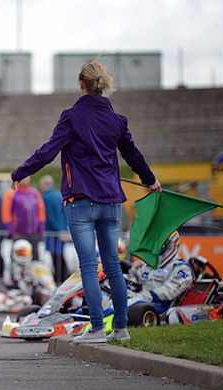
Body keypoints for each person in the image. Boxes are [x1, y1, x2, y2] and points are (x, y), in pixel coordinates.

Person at [9, 57, 161, 343]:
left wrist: (21, 173)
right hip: (111, 202)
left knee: (89, 267)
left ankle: (95, 329)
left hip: (81, 202)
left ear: (81, 84)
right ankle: (120, 328)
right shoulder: (117, 120)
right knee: (113, 265)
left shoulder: (72, 116)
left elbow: (48, 151)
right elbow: (133, 155)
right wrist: (150, 179)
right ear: (103, 85)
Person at [126, 232, 193, 306]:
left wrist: (147, 296)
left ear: (170, 245)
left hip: (162, 307)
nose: (156, 246)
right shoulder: (145, 266)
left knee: (129, 305)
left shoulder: (181, 268)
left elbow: (169, 291)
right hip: (140, 303)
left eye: (160, 243)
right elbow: (133, 284)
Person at [5, 176, 45, 261]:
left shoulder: (35, 193)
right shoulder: (11, 194)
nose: (24, 180)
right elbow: (6, 214)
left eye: (26, 177)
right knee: (18, 259)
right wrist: (12, 231)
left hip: (34, 233)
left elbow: (41, 211)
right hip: (19, 234)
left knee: (35, 259)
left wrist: (41, 228)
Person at [39, 175, 69, 284]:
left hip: (52, 231)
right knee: (61, 255)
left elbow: (49, 216)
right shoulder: (59, 195)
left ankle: (59, 278)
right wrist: (63, 229)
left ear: (45, 185)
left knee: (55, 256)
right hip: (62, 230)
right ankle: (64, 277)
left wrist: (56, 229)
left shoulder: (46, 197)